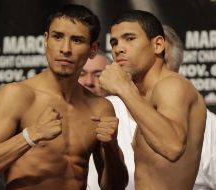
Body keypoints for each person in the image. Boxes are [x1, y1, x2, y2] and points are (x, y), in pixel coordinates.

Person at [0, 4, 128, 190]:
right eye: (58, 37)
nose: (65, 48)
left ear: (93, 49)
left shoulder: (100, 107)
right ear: (46, 40)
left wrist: (111, 148)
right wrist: (30, 135)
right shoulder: (18, 96)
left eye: (76, 40)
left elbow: (114, 187)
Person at [99, 10, 207, 189]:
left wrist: (124, 88)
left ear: (158, 45)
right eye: (114, 42)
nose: (118, 48)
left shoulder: (172, 85)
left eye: (130, 38)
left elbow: (172, 147)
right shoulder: (146, 99)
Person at [163, 24, 216, 190]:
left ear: (177, 68)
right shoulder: (109, 110)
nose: (151, 70)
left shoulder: (210, 126)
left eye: (161, 61)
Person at [80, 54, 136, 190]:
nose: (89, 82)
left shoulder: (127, 110)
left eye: (98, 75)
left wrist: (111, 146)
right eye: (81, 74)